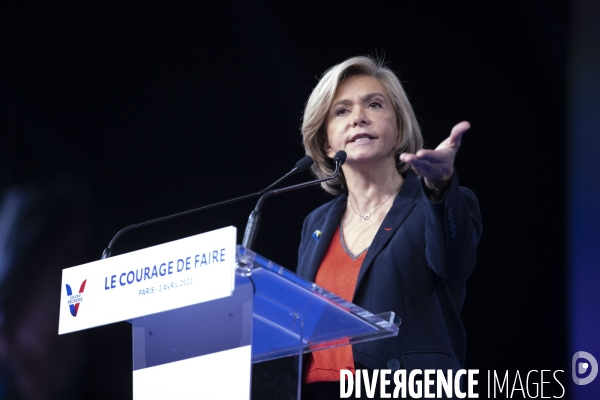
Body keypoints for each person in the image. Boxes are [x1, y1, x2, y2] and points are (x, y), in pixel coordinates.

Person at [297, 56, 482, 399]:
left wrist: (440, 188)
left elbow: (454, 264)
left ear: (398, 128)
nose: (358, 118)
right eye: (342, 111)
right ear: (325, 142)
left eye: (374, 104)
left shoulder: (435, 203)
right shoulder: (315, 224)